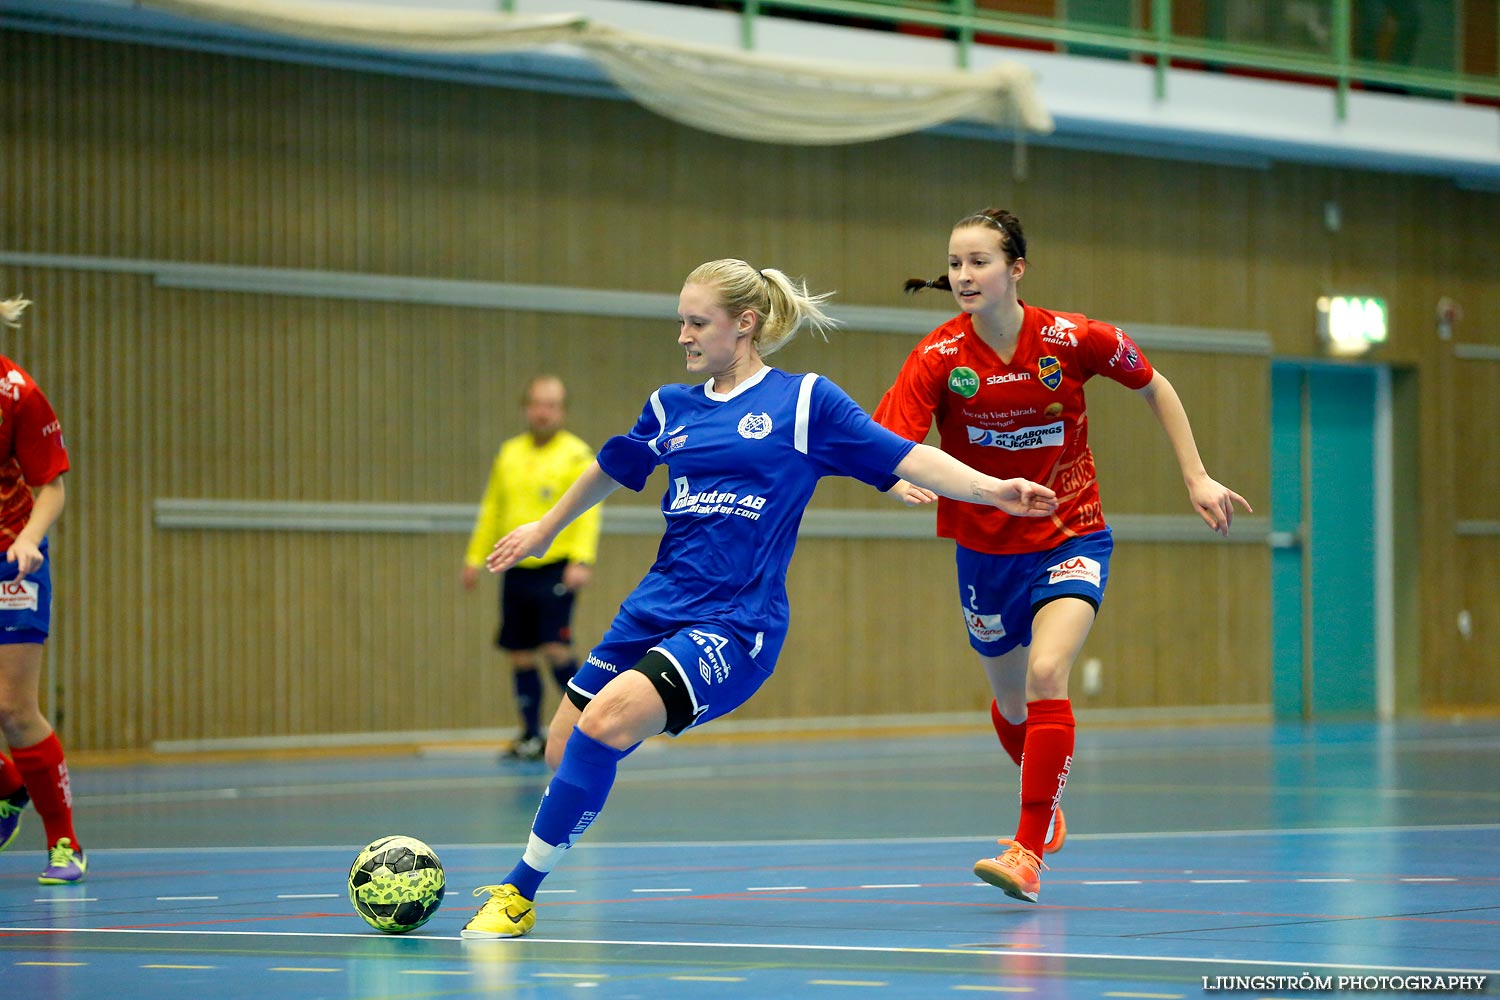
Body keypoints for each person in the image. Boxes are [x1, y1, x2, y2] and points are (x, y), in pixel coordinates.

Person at [459, 258, 1059, 938]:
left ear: (743, 325)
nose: (683, 336)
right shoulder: (669, 407)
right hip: (653, 606)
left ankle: (518, 891)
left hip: (736, 624)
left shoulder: (804, 403)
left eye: (696, 322)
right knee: (563, 750)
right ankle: (539, 859)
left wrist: (991, 487)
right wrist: (544, 528)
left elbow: (903, 454)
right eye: (680, 321)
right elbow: (610, 466)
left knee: (605, 722)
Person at [873, 209, 1250, 904]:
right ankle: (1046, 800)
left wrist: (1196, 475)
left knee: (1050, 672)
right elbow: (890, 440)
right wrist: (899, 479)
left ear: (1017, 269)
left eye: (979, 261)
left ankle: (1028, 848)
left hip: (1072, 534)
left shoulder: (1073, 338)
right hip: (984, 551)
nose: (963, 275)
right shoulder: (938, 356)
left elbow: (1155, 385)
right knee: (1011, 704)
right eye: (955, 263)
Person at [463, 374, 602, 761]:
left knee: (556, 648)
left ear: (563, 411)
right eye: (538, 403)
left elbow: (589, 511)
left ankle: (590, 725)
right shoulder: (509, 453)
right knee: (520, 651)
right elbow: (493, 507)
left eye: (552, 405)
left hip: (555, 567)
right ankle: (530, 735)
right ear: (527, 407)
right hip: (516, 566)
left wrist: (582, 558)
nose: (544, 412)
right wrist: (475, 558)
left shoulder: (576, 454)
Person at [0, 295, 86, 884]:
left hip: (13, 562)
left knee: (13, 707)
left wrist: (30, 538)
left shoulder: (16, 392)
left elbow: (50, 485)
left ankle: (65, 844)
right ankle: (10, 787)